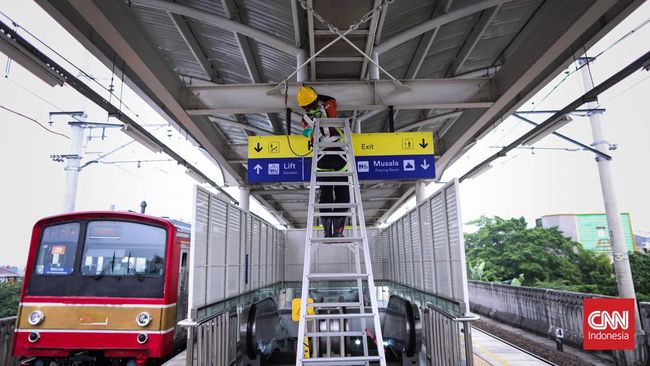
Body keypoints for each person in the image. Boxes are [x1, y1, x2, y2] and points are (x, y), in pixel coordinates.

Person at [297, 86, 349, 237]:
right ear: (315, 99)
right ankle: (338, 231)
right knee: (342, 193)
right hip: (339, 156)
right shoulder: (328, 107)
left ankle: (327, 232)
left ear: (302, 106)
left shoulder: (304, 120)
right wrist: (317, 95)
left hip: (321, 160)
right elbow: (331, 100)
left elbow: (307, 134)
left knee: (325, 195)